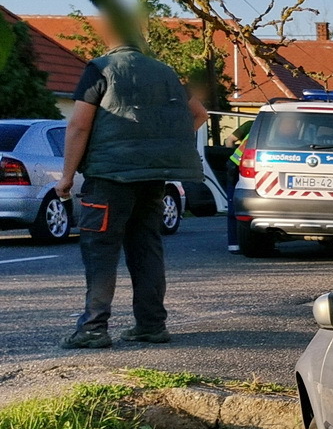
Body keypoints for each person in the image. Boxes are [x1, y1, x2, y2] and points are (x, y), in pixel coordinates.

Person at [58, 42, 207, 349]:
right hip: (151, 178)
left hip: (109, 177)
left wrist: (67, 176)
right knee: (146, 249)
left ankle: (93, 329)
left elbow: (79, 126)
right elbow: (199, 114)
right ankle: (151, 325)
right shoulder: (166, 73)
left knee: (100, 251)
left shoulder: (100, 69)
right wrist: (160, 144)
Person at [225, 118, 252, 254]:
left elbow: (229, 140)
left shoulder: (250, 124)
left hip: (234, 166)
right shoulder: (272, 127)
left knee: (234, 206)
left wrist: (231, 155)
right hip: (248, 169)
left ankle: (234, 244)